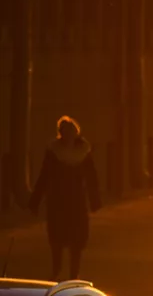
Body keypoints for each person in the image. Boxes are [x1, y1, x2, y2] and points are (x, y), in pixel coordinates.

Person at [29, 116, 101, 280]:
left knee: (77, 240)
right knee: (57, 239)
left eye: (71, 132)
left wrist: (95, 199)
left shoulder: (83, 151)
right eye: (65, 132)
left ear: (75, 133)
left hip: (76, 201)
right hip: (58, 200)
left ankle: (74, 273)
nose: (69, 135)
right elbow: (45, 175)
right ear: (61, 133)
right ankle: (57, 269)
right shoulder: (54, 151)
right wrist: (35, 200)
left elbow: (91, 176)